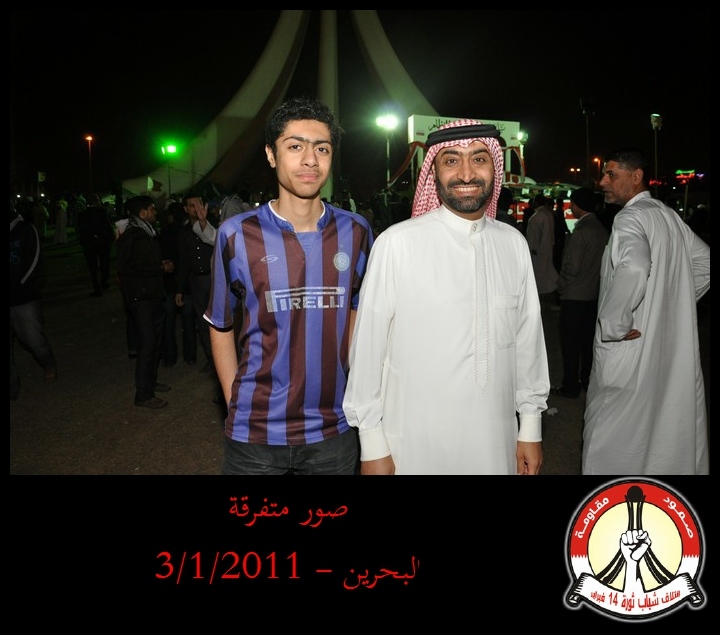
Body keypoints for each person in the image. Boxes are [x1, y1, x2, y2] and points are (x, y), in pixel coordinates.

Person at [343, 119, 550, 475]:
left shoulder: (512, 244)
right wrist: (372, 442)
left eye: (479, 159)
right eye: (451, 160)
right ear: (434, 172)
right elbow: (368, 350)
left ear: (495, 168)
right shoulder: (397, 244)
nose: (466, 174)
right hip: (413, 443)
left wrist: (530, 427)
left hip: (495, 441)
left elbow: (527, 342)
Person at [205, 96, 375, 475]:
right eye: (295, 146)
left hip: (334, 430)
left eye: (322, 148)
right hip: (254, 434)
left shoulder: (357, 232)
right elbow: (220, 323)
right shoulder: (236, 234)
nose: (310, 159)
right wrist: (235, 402)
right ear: (271, 155)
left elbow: (359, 315)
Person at [582, 147, 710, 475]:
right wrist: (670, 304)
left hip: (630, 343)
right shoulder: (668, 215)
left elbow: (635, 266)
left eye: (611, 174)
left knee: (610, 434)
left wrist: (615, 323)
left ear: (636, 176)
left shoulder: (629, 217)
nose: (602, 181)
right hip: (662, 343)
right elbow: (705, 263)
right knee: (660, 424)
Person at [116, 195, 174, 409]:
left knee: (155, 343)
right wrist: (159, 268)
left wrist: (159, 264)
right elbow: (128, 268)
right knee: (148, 344)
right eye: (151, 209)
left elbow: (142, 261)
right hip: (142, 299)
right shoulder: (133, 235)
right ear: (142, 212)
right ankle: (143, 394)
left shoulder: (145, 232)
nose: (155, 212)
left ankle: (150, 382)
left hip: (151, 295)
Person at [550, 187, 608, 398]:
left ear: (577, 205)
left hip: (574, 296)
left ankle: (570, 386)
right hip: (593, 295)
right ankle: (587, 380)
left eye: (572, 204)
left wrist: (561, 285)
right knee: (587, 343)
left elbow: (572, 267)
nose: (570, 208)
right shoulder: (601, 229)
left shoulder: (581, 231)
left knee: (571, 345)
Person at [11, 198, 58, 401]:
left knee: (33, 339)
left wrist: (20, 285)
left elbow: (35, 261)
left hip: (24, 298)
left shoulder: (25, 229)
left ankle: (48, 363)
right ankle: (12, 388)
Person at [175, 191, 215, 373]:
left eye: (199, 204)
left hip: (214, 279)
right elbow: (183, 262)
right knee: (202, 322)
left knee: (219, 320)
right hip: (196, 282)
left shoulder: (212, 225)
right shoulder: (183, 232)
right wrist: (180, 289)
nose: (196, 209)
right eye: (192, 205)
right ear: (185, 209)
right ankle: (211, 358)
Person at [159, 201, 196, 367]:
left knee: (168, 322)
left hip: (169, 283)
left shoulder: (165, 234)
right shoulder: (187, 232)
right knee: (188, 321)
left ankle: (170, 356)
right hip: (186, 283)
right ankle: (190, 356)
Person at [76, 193, 115, 296]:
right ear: (96, 201)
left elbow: (80, 229)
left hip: (89, 242)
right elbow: (108, 225)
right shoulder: (102, 212)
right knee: (104, 263)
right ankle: (104, 282)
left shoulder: (82, 214)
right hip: (103, 240)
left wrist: (83, 240)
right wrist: (111, 237)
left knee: (92, 266)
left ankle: (96, 287)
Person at [525, 193, 558, 300]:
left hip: (537, 251)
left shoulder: (537, 216)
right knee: (546, 270)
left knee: (539, 272)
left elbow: (533, 235)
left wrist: (533, 248)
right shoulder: (548, 214)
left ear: (536, 202)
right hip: (547, 247)